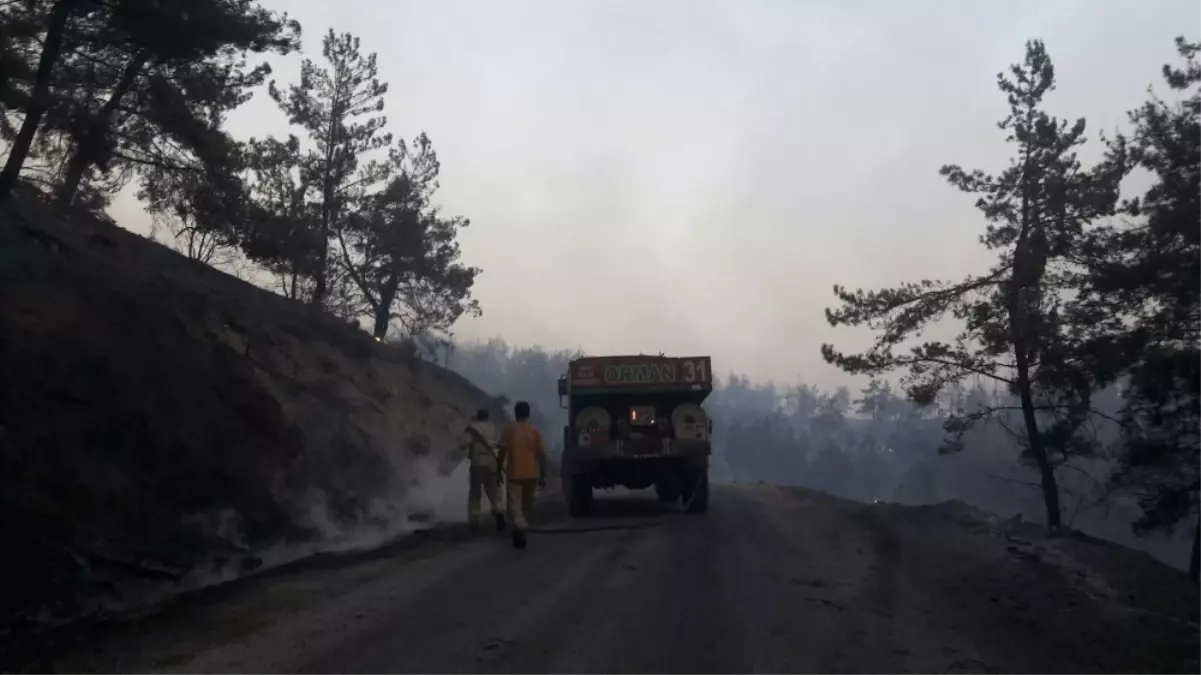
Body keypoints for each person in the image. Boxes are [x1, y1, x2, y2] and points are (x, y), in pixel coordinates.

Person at [497, 401, 546, 549]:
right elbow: (541, 455)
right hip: (532, 475)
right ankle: (521, 536)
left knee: (515, 508)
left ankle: (521, 529)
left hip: (514, 475)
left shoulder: (509, 431)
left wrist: (499, 469)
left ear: (516, 413)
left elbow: (501, 452)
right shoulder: (535, 432)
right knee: (526, 508)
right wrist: (543, 475)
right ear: (528, 414)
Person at [460, 408, 505, 533]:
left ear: (477, 417)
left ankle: (474, 522)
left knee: (475, 494)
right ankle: (499, 512)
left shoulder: (472, 428)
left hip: (477, 464)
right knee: (494, 492)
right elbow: (498, 444)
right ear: (487, 416)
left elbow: (463, 444)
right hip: (492, 463)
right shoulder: (494, 428)